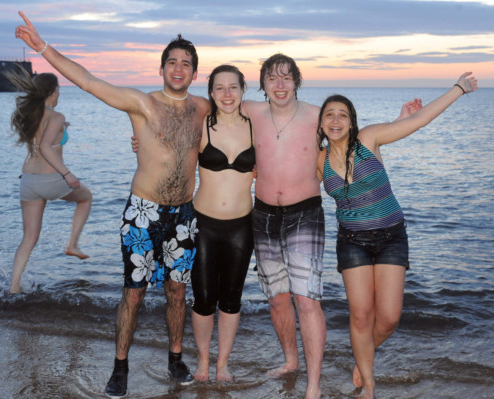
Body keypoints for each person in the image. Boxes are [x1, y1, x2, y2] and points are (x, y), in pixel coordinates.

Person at [14, 11, 210, 398]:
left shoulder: (203, 108)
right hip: (144, 212)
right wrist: (42, 48)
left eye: (186, 63)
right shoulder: (141, 103)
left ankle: (175, 358)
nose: (178, 68)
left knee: (177, 291)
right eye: (172, 61)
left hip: (184, 215)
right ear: (161, 68)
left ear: (194, 73)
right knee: (133, 292)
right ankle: (120, 367)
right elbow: (88, 81)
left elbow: (239, 120)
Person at [315, 73, 478, 399]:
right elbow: (291, 181)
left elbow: (419, 121)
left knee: (388, 319)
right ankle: (369, 388)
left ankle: (363, 357)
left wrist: (458, 89)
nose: (336, 120)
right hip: (351, 242)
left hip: (391, 237)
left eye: (342, 114)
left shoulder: (369, 139)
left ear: (352, 121)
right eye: (329, 114)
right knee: (360, 316)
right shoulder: (319, 161)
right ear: (320, 123)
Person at [242, 54, 326, 399]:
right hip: (262, 215)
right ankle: (291, 361)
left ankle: (313, 385)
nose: (279, 85)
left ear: (297, 82)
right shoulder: (250, 111)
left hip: (305, 213)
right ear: (262, 84)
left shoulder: (317, 115)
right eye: (272, 78)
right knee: (277, 299)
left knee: (306, 301)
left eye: (286, 78)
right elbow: (204, 114)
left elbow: (352, 140)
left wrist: (400, 119)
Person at [191, 65, 255, 381]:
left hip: (242, 227)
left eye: (233, 87)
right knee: (203, 299)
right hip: (203, 225)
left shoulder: (257, 127)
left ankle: (222, 363)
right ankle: (203, 360)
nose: (227, 94)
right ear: (211, 93)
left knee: (231, 299)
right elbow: (168, 154)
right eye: (220, 88)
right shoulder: (201, 126)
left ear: (243, 90)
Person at [6, 67, 93, 294]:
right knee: (86, 198)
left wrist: (62, 130)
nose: (59, 93)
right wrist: (67, 174)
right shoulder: (56, 116)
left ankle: (13, 287)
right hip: (51, 179)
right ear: (53, 91)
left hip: (28, 181)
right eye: (58, 89)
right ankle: (72, 244)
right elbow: (45, 146)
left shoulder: (33, 116)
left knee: (29, 238)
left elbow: (44, 139)